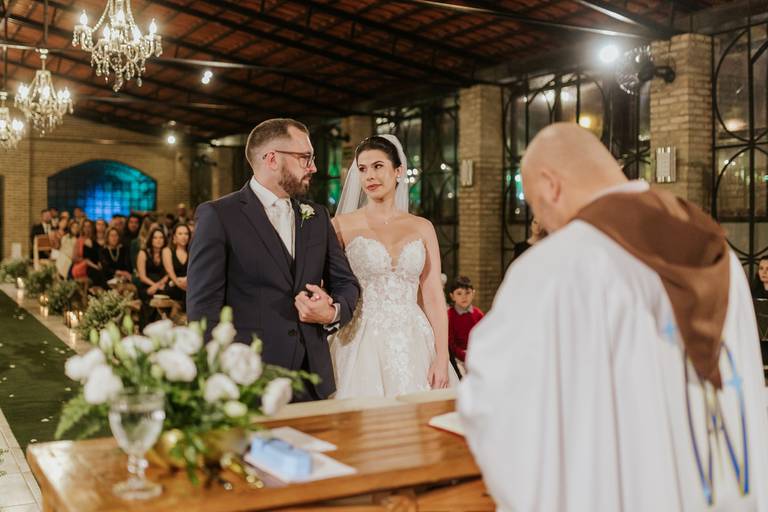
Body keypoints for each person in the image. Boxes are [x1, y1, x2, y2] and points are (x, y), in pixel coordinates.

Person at [458, 123, 768, 511]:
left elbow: (497, 406)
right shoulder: (717, 249)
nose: (545, 224)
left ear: (551, 186)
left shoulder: (558, 267)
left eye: (537, 207)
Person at [187, 118, 360, 401]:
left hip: (311, 379)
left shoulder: (316, 216)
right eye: (305, 158)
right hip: (248, 378)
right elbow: (203, 308)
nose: (313, 167)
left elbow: (346, 282)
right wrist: (216, 377)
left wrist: (332, 312)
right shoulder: (219, 216)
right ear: (272, 159)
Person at [330, 135, 457, 398]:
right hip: (361, 338)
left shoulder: (422, 227)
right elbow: (331, 284)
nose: (369, 176)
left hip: (414, 338)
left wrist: (442, 356)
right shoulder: (341, 225)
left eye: (378, 166)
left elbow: (433, 295)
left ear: (398, 171)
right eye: (362, 169)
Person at [446, 276, 484, 377]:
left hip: (476, 354)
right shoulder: (449, 315)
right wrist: (466, 356)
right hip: (458, 358)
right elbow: (451, 344)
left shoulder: (478, 314)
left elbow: (483, 337)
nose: (464, 297)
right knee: (463, 377)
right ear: (452, 296)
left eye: (467, 293)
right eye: (459, 293)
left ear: (473, 293)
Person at [162, 223, 190, 306]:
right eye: (180, 234)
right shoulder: (167, 251)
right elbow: (170, 272)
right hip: (174, 285)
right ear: (174, 237)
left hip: (188, 284)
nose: (184, 236)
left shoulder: (191, 252)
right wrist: (180, 284)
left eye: (186, 234)